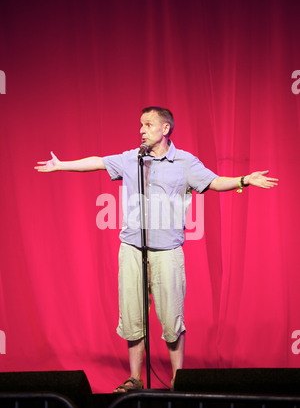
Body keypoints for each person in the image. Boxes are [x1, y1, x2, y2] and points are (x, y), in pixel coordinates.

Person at [35, 106, 278, 392]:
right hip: (132, 250)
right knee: (132, 315)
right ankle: (134, 378)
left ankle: (179, 378)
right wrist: (61, 165)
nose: (141, 129)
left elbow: (213, 182)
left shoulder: (185, 162)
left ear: (165, 129)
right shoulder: (132, 158)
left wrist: (243, 180)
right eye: (141, 124)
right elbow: (99, 162)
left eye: (148, 125)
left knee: (172, 317)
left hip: (167, 252)